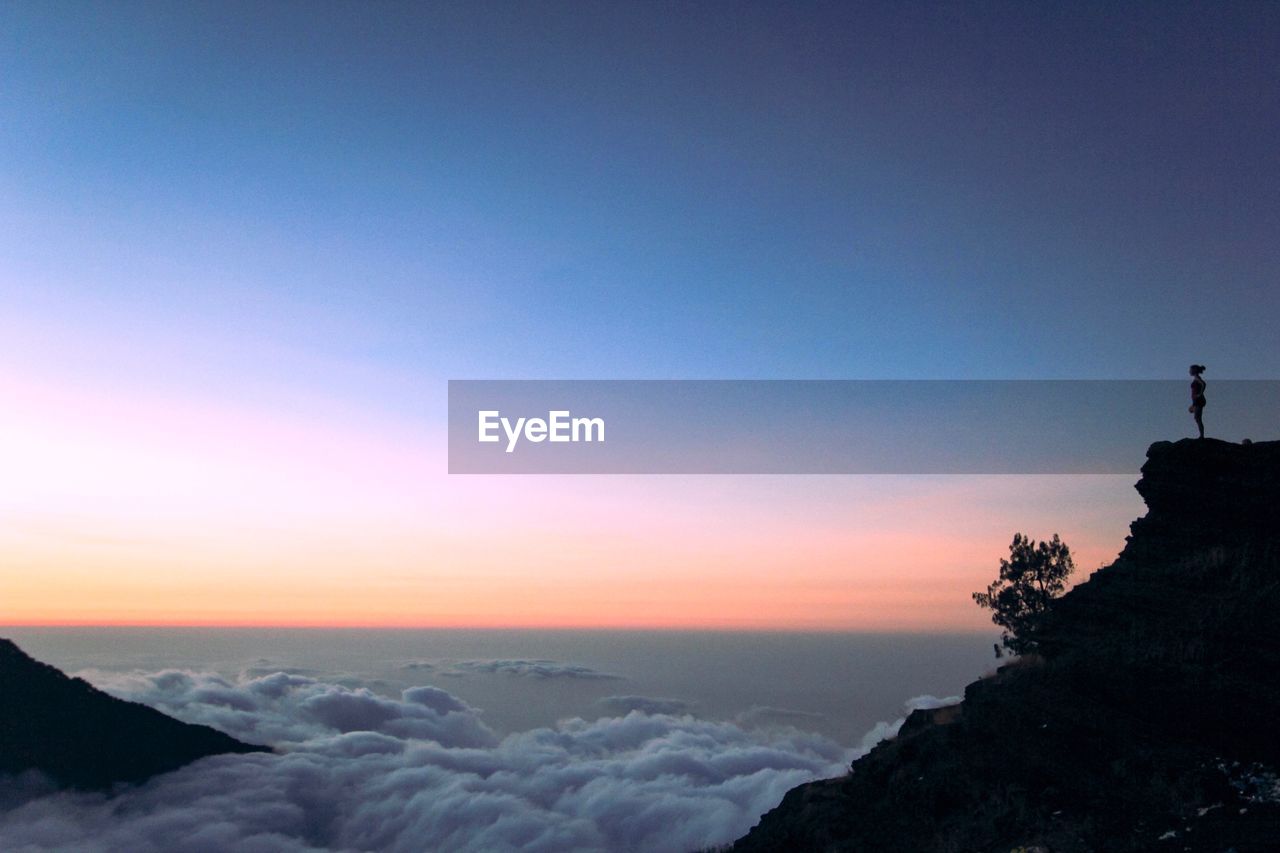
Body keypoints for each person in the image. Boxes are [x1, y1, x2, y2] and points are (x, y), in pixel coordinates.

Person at [1188, 364, 1207, 439]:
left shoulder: (1197, 378)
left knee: (1198, 418)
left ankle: (1201, 436)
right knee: (1195, 415)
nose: (1189, 371)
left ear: (1194, 370)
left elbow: (1203, 384)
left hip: (1199, 400)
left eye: (1190, 370)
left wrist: (1200, 394)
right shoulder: (1195, 378)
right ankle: (1201, 435)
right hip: (1196, 401)